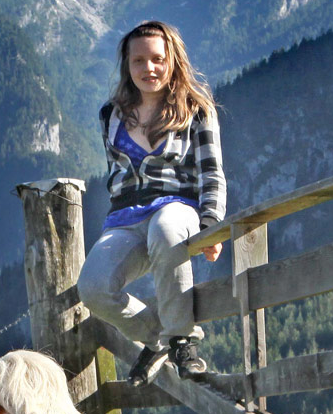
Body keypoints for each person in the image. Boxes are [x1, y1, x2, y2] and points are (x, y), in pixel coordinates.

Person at [77, 20, 226, 386]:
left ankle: (183, 341)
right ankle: (156, 337)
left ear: (172, 61)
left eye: (157, 59)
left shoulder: (196, 110)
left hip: (178, 209)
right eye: (138, 61)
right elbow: (118, 177)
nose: (149, 68)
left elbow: (212, 174)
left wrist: (211, 224)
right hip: (126, 219)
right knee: (93, 287)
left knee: (166, 226)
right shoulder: (111, 116)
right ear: (127, 65)